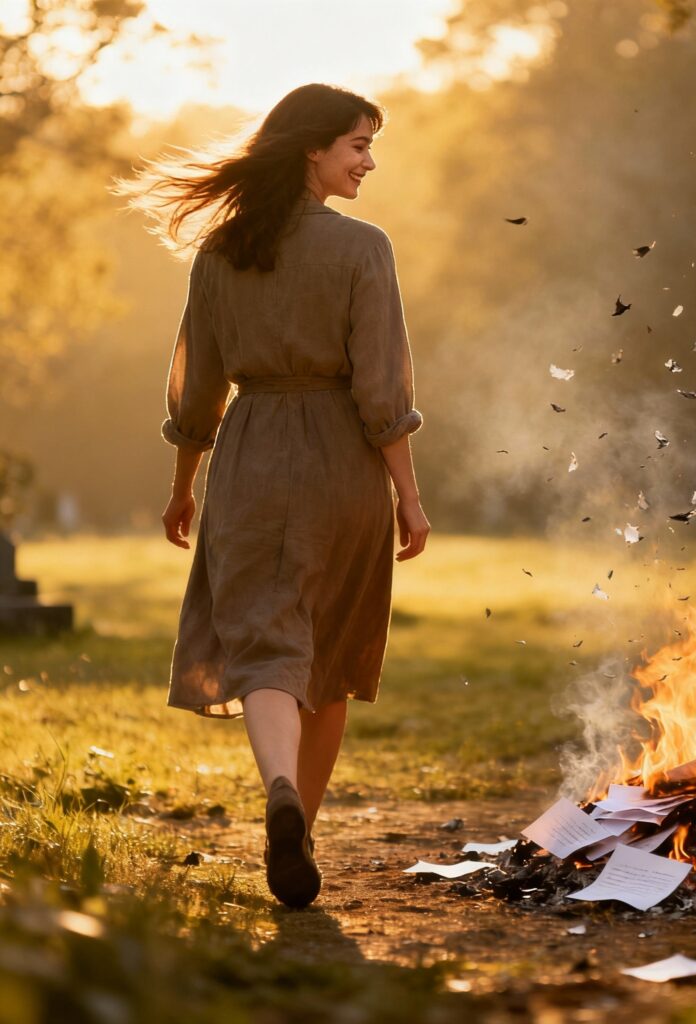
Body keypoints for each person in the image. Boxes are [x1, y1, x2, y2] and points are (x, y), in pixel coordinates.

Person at [113, 83, 430, 909]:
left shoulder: (219, 253)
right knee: (326, 657)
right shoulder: (364, 249)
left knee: (263, 642)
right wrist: (409, 496)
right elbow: (383, 387)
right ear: (311, 150)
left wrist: (183, 487)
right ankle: (295, 832)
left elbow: (196, 391)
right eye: (358, 144)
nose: (369, 161)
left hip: (251, 454)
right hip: (344, 462)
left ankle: (280, 790)